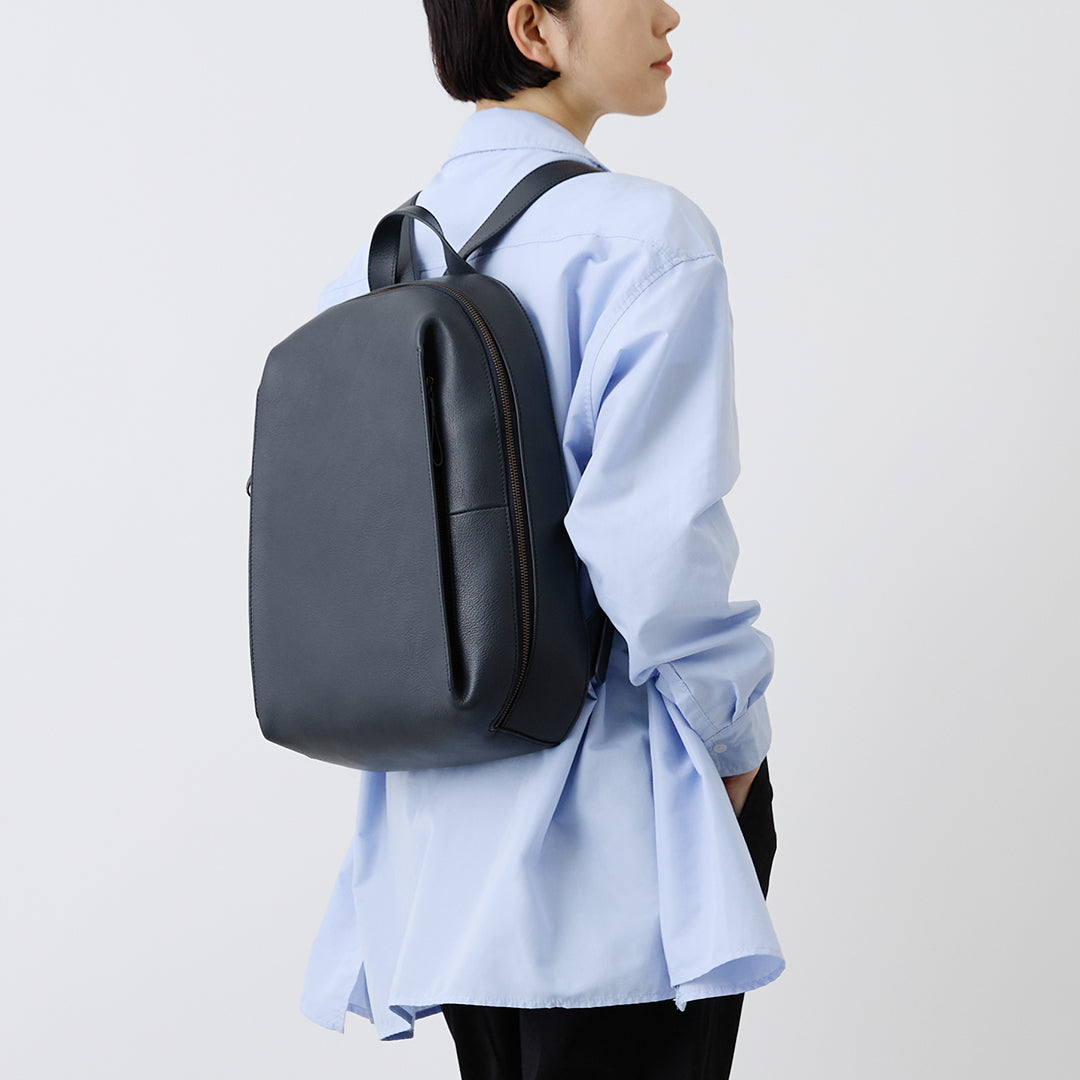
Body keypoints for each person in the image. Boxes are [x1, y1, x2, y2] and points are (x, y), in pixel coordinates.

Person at [297, 1, 784, 1076]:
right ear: (533, 26)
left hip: (433, 851)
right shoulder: (645, 239)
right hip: (616, 836)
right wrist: (734, 740)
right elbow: (652, 549)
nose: (668, 11)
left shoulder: (370, 276)